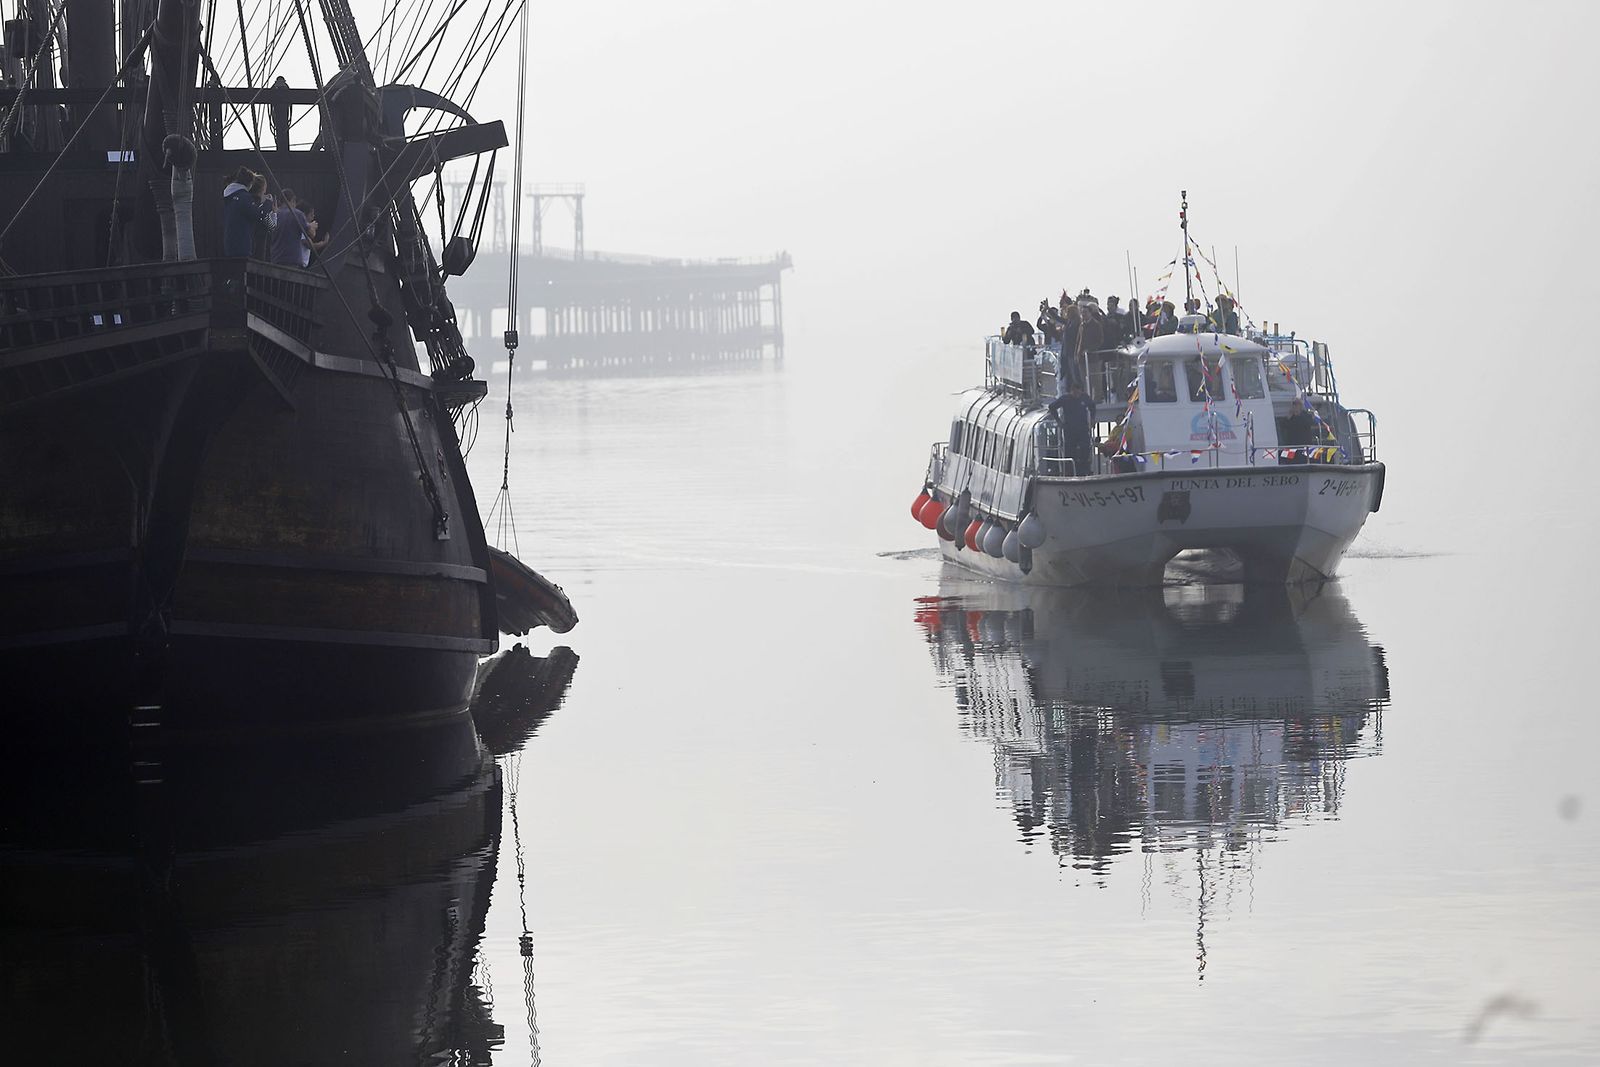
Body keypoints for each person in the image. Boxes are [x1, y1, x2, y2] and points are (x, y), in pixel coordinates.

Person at [222, 167, 277, 257]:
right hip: (255, 249)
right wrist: (273, 212)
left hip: (241, 245)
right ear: (263, 190)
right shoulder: (255, 205)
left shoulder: (239, 200)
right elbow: (272, 227)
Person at [1047, 383, 1097, 476]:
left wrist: (1093, 419)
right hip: (1069, 430)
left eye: (1078, 392)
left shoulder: (1084, 397)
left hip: (1083, 429)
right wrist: (1058, 421)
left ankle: (1084, 470)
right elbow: (1052, 407)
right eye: (1075, 392)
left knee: (1085, 448)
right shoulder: (1065, 398)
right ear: (1071, 390)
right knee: (1070, 451)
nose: (1077, 394)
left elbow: (1092, 406)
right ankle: (1070, 472)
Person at [269, 187, 310, 266]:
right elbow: (310, 233)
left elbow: (270, 232)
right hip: (292, 260)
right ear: (293, 200)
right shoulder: (297, 214)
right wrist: (311, 226)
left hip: (276, 259)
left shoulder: (273, 215)